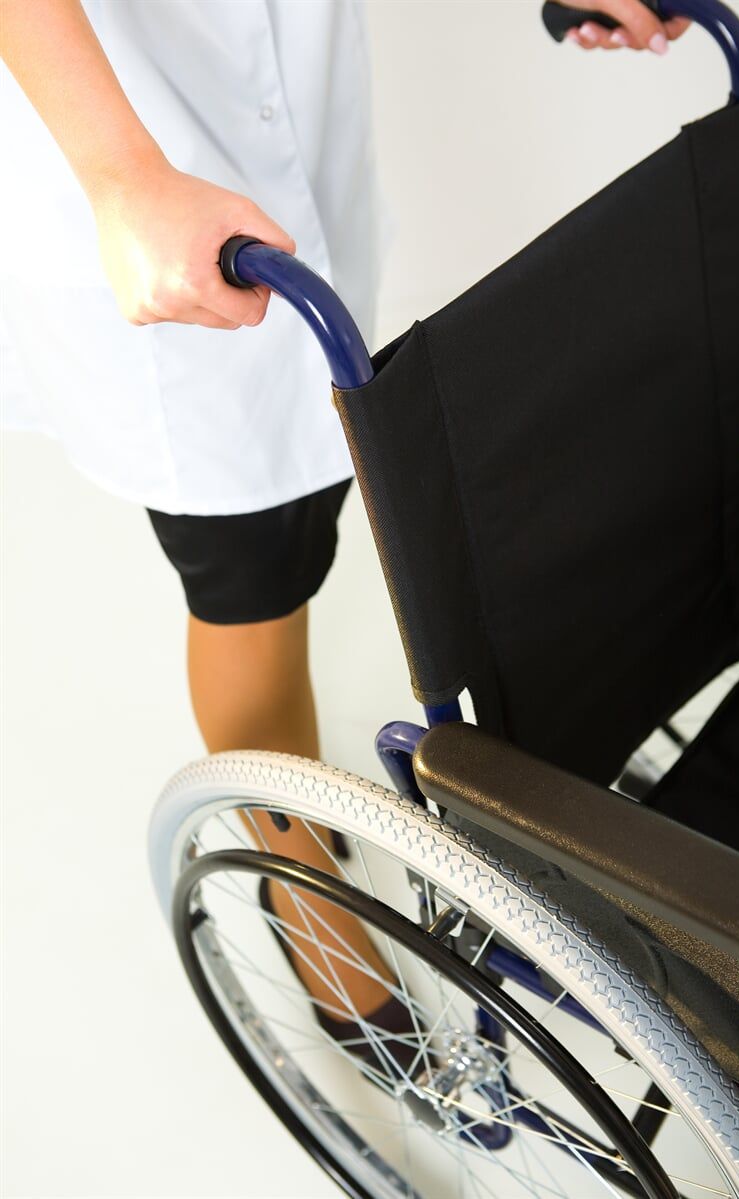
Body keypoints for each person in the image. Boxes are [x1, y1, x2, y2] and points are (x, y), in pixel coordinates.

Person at [0, 0, 690, 1037]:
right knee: (249, 558)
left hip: (291, 117)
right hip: (133, 137)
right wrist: (120, 172)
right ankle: (295, 871)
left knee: (324, 475)